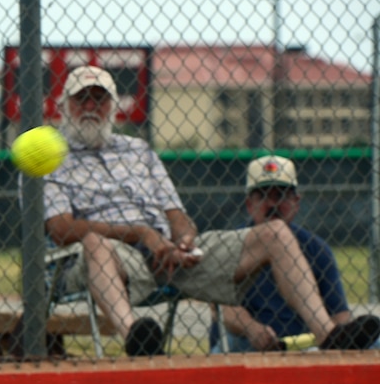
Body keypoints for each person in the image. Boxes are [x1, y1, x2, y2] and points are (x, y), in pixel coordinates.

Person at [43, 65, 380, 356]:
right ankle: (136, 335)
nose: (90, 106)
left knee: (276, 231)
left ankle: (329, 335)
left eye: (99, 98)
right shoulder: (49, 154)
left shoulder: (139, 150)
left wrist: (185, 239)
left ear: (114, 106)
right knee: (94, 243)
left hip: (166, 255)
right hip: (108, 260)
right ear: (63, 106)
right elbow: (60, 229)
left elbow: (175, 212)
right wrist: (141, 233)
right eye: (81, 98)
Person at [209, 155, 375, 352]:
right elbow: (221, 310)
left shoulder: (316, 248)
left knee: (376, 344)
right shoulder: (233, 244)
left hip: (304, 345)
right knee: (231, 342)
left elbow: (340, 315)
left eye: (280, 195)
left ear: (296, 202)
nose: (272, 204)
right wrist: (253, 329)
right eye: (263, 195)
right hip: (247, 343)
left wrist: (343, 336)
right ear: (249, 204)